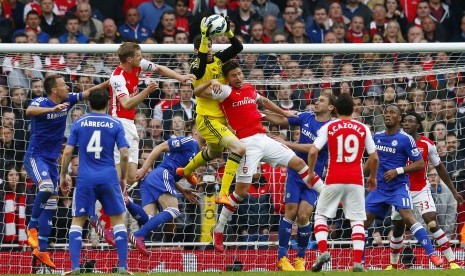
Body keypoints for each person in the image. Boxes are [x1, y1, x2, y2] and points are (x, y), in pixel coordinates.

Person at [193, 60, 323, 254]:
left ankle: (327, 192)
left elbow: (263, 101)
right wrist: (212, 80)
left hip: (264, 138)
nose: (238, 78)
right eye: (234, 75)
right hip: (247, 144)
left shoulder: (249, 88)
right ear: (227, 78)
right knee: (241, 192)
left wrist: (283, 111)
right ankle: (218, 229)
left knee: (299, 163)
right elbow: (198, 93)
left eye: (239, 74)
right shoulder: (226, 91)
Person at [23, 75, 108, 269]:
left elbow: (88, 93)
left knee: (51, 205)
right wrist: (51, 109)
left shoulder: (68, 99)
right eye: (63, 84)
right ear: (54, 90)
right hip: (36, 157)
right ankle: (31, 227)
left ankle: (42, 251)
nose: (67, 86)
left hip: (52, 162)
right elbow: (29, 110)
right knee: (45, 188)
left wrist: (111, 81)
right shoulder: (42, 102)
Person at [176, 15, 245, 207]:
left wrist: (229, 30)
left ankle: (187, 171)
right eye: (206, 48)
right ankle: (223, 193)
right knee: (238, 149)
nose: (210, 51)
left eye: (211, 47)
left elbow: (238, 48)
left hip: (219, 119)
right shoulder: (197, 65)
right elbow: (197, 78)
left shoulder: (216, 59)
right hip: (207, 119)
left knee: (214, 154)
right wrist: (205, 36)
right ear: (198, 50)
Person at [59, 89, 131, 275]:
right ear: (108, 103)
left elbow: (67, 152)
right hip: (108, 177)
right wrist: (122, 178)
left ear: (88, 103)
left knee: (77, 221)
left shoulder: (79, 122)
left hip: (85, 178)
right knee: (117, 221)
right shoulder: (115, 123)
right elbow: (124, 154)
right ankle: (122, 266)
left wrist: (62, 175)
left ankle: (74, 267)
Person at [364, 104, 443, 268]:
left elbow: (420, 163)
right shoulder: (376, 137)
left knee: (409, 217)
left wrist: (398, 171)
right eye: (386, 113)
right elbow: (371, 161)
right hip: (379, 188)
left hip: (398, 188)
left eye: (392, 113)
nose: (387, 115)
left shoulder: (405, 139)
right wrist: (361, 174)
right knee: (362, 222)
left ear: (399, 118)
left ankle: (433, 256)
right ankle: (359, 262)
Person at [263, 92, 334, 271]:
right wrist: (259, 114)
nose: (316, 102)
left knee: (303, 216)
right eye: (317, 99)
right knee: (291, 212)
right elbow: (281, 120)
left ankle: (300, 258)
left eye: (322, 101)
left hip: (313, 177)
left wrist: (287, 143)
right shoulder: (306, 117)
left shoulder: (331, 128)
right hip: (296, 173)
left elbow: (312, 148)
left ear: (331, 107)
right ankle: (281, 258)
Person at [109, 42, 195, 188]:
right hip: (119, 123)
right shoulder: (118, 78)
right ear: (129, 59)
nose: (141, 58)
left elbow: (159, 68)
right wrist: (147, 91)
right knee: (120, 177)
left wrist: (180, 77)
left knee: (131, 178)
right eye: (138, 56)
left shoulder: (137, 65)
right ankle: (111, 207)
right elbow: (126, 104)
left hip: (130, 123)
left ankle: (126, 202)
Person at [309, 94, 379, 272]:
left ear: (336, 110)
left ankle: (323, 251)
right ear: (353, 109)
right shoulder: (363, 128)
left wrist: (311, 173)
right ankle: (357, 262)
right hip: (356, 179)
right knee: (357, 220)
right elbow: (374, 157)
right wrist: (372, 177)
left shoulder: (330, 126)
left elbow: (313, 151)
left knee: (320, 216)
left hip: (334, 178)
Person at [386, 111, 463, 270]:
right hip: (400, 191)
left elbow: (440, 168)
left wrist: (454, 191)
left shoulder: (427, 144)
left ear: (418, 125)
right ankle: (393, 265)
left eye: (410, 121)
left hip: (421, 190)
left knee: (432, 221)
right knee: (398, 229)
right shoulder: (394, 142)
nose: (406, 123)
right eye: (405, 121)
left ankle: (452, 261)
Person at [123, 125, 204, 255]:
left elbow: (175, 172)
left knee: (149, 221)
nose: (207, 131)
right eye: (203, 128)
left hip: (156, 177)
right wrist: (144, 169)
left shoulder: (196, 152)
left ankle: (126, 200)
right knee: (173, 210)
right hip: (161, 174)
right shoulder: (190, 141)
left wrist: (183, 190)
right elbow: (159, 147)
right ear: (194, 130)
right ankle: (138, 235)